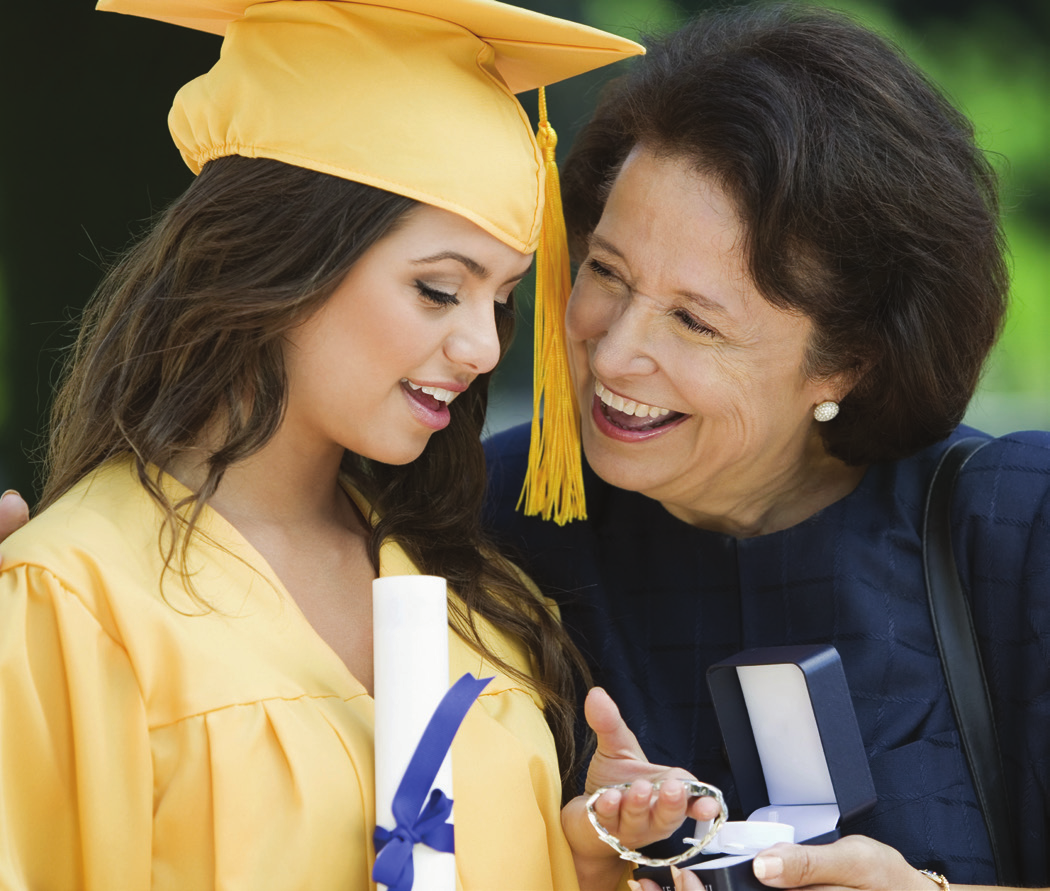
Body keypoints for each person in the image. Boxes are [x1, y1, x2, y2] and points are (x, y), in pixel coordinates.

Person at [0, 2, 727, 889]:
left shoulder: (471, 596)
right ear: (276, 256)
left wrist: (587, 864)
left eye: (499, 299)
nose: (486, 347)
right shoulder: (70, 601)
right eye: (436, 289)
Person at [484, 4, 1050, 890]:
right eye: (605, 270)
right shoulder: (488, 521)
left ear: (847, 362)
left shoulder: (1017, 532)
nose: (615, 346)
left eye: (695, 320)